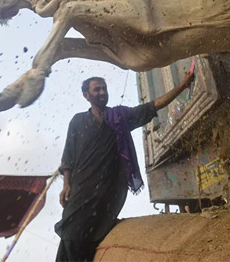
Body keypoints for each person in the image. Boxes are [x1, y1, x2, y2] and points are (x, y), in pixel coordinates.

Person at [55, 71, 195, 262]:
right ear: (86, 95)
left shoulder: (120, 117)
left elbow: (152, 106)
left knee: (95, 239)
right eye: (97, 89)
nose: (102, 92)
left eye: (104, 88)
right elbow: (68, 158)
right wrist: (66, 185)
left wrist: (183, 85)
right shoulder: (77, 121)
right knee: (71, 237)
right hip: (81, 192)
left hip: (108, 193)